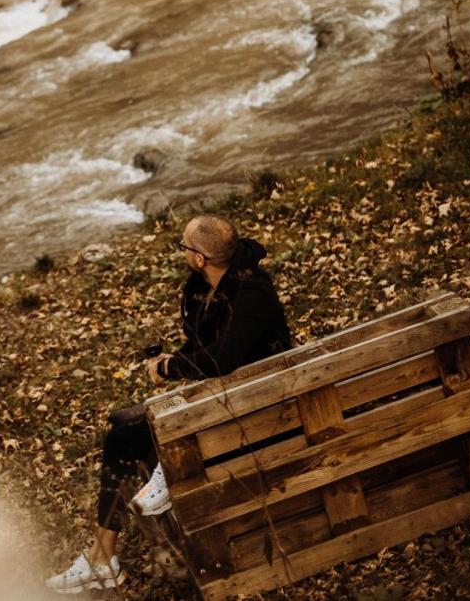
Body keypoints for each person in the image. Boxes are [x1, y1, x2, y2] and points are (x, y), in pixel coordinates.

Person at [45, 214, 292, 594]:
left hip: (259, 408)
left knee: (135, 433)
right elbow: (204, 350)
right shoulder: (200, 288)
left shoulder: (252, 291)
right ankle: (102, 556)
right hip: (222, 400)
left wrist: (172, 366)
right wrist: (172, 362)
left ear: (200, 258)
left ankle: (164, 469)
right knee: (123, 437)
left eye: (184, 248)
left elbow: (224, 359)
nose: (182, 255)